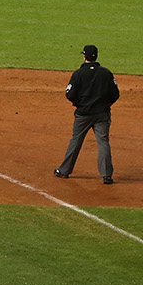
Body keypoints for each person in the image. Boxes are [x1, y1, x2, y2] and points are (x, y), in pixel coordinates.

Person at [54, 44, 120, 184]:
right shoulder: (106, 73)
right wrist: (106, 105)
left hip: (83, 115)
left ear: (85, 56)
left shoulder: (78, 74)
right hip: (102, 114)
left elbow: (69, 94)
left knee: (76, 140)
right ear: (96, 56)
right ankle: (107, 175)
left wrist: (78, 104)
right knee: (103, 142)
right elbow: (115, 94)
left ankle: (64, 171)